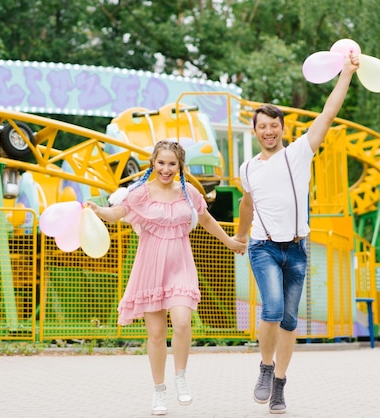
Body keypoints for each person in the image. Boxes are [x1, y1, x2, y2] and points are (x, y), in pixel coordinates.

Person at [232, 53, 360, 414]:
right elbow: (246, 204)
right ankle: (265, 368)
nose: (269, 131)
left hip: (298, 249)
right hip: (263, 248)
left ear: (282, 129)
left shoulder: (300, 153)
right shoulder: (247, 168)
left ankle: (280, 385)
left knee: (289, 320)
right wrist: (241, 237)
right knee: (271, 309)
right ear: (255, 130)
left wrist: (346, 74)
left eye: (274, 126)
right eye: (262, 126)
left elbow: (328, 113)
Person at [85, 139, 246, 416]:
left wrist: (230, 242)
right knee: (157, 334)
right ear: (153, 163)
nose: (166, 168)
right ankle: (159, 392)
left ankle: (180, 377)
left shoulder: (189, 193)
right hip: (150, 267)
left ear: (180, 165)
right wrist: (98, 211)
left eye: (172, 163)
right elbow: (117, 212)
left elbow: (206, 220)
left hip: (180, 265)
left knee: (182, 321)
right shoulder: (139, 193)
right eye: (161, 162)